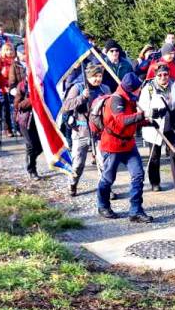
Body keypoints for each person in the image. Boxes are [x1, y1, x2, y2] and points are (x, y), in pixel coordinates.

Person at [97, 72, 152, 223]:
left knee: (138, 174)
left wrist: (148, 121)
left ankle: (135, 210)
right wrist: (142, 115)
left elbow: (132, 121)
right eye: (138, 89)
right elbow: (121, 121)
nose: (139, 90)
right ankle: (102, 205)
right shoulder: (116, 100)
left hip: (128, 144)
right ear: (131, 89)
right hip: (112, 145)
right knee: (108, 178)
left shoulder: (130, 99)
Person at [61, 63, 111, 196]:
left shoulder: (105, 89)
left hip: (100, 131)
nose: (98, 79)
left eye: (100, 76)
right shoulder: (77, 87)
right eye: (95, 76)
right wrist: (82, 97)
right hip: (81, 131)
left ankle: (105, 189)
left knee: (104, 162)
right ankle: (72, 183)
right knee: (78, 163)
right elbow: (66, 105)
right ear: (88, 76)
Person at [139, 62, 175, 194]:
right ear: (156, 75)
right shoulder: (148, 88)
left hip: (172, 125)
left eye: (165, 74)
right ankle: (155, 182)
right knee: (155, 155)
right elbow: (142, 107)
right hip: (155, 127)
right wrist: (151, 113)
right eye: (160, 75)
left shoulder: (174, 85)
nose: (163, 77)